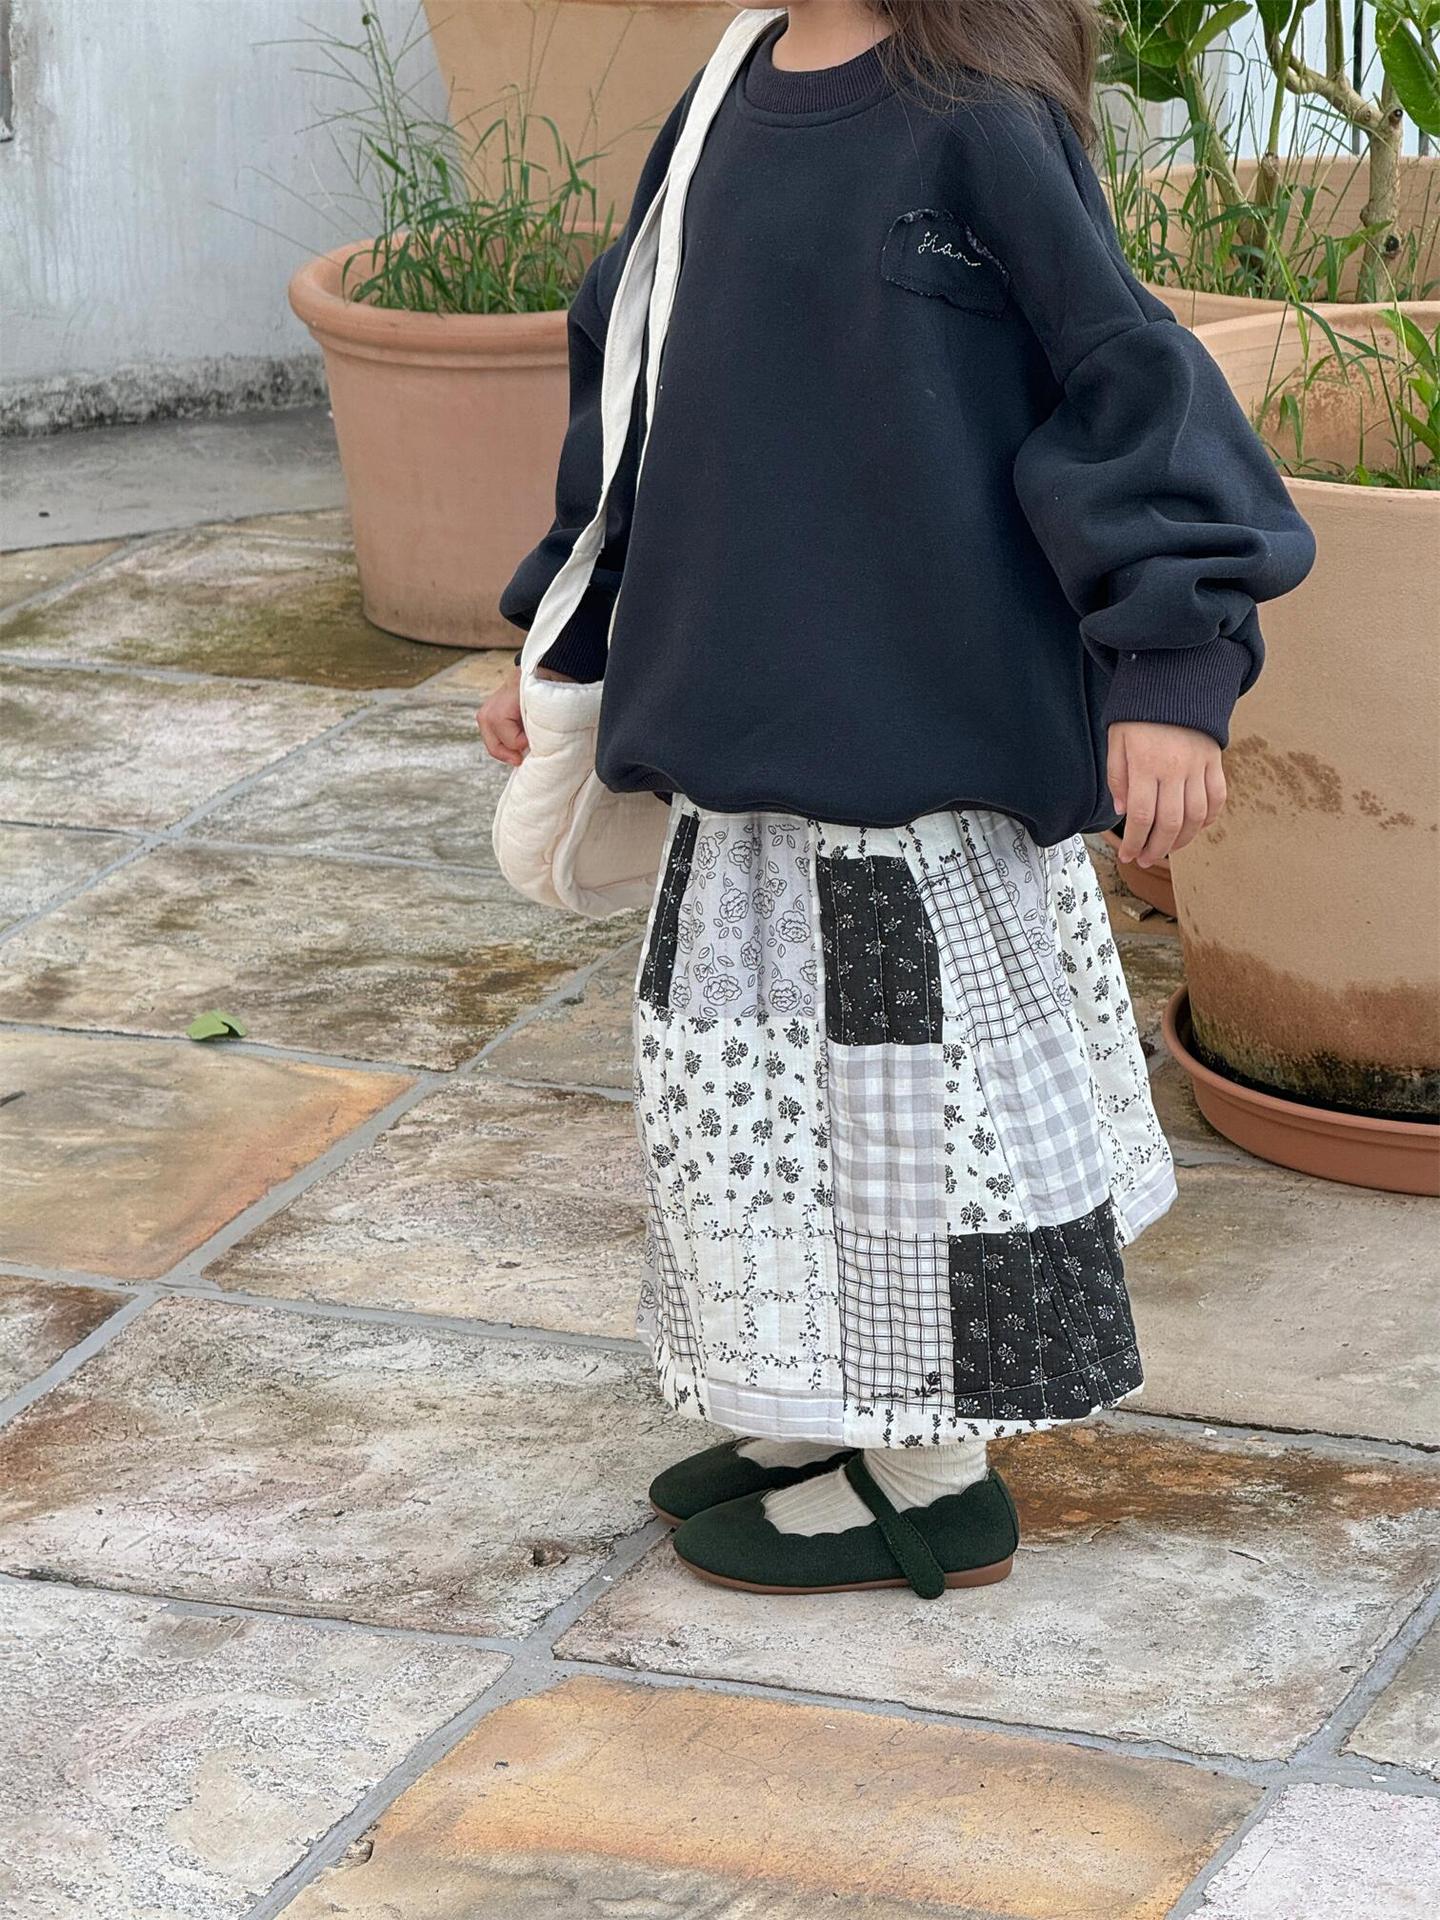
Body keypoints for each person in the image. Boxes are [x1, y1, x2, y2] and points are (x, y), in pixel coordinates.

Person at [478, 0, 1314, 1598]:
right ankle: (822, 1413)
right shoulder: (727, 94)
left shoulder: (977, 119)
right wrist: (565, 632)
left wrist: (1172, 665)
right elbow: (638, 378)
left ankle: (934, 1476)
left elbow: (1125, 379)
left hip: (918, 757)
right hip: (747, 742)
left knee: (913, 1123)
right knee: (759, 1111)